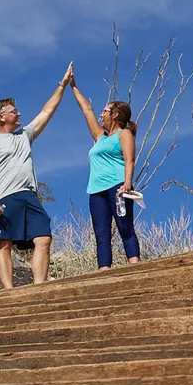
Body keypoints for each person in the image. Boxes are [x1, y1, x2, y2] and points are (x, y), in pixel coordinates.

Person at [0, 64, 72, 288]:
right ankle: (9, 291)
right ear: (2, 117)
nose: (18, 113)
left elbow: (47, 112)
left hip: (29, 196)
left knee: (43, 238)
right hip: (5, 198)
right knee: (3, 243)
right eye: (13, 111)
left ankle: (39, 287)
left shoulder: (24, 136)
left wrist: (63, 84)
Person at [70, 82, 140, 268]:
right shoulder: (100, 137)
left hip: (117, 187)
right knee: (101, 234)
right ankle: (104, 271)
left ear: (114, 115)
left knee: (125, 228)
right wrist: (73, 86)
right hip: (96, 190)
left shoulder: (124, 134)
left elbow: (129, 159)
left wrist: (127, 183)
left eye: (105, 111)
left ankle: (135, 265)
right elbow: (87, 110)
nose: (101, 115)